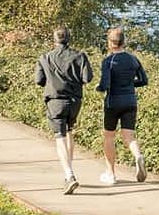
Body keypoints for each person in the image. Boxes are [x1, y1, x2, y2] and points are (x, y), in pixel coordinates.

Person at [36, 25, 96, 194]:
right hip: (75, 100)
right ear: (69, 39)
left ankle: (69, 175)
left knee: (59, 137)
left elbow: (39, 80)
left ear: (54, 40)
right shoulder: (80, 56)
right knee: (69, 131)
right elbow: (87, 78)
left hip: (55, 101)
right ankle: (68, 171)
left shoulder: (45, 57)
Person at [97, 25, 148, 186]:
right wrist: (130, 85)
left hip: (113, 102)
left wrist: (98, 88)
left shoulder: (108, 61)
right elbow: (144, 80)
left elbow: (105, 84)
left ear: (110, 43)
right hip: (130, 101)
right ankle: (138, 155)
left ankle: (111, 174)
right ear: (123, 42)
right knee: (129, 136)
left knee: (109, 136)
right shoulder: (133, 59)